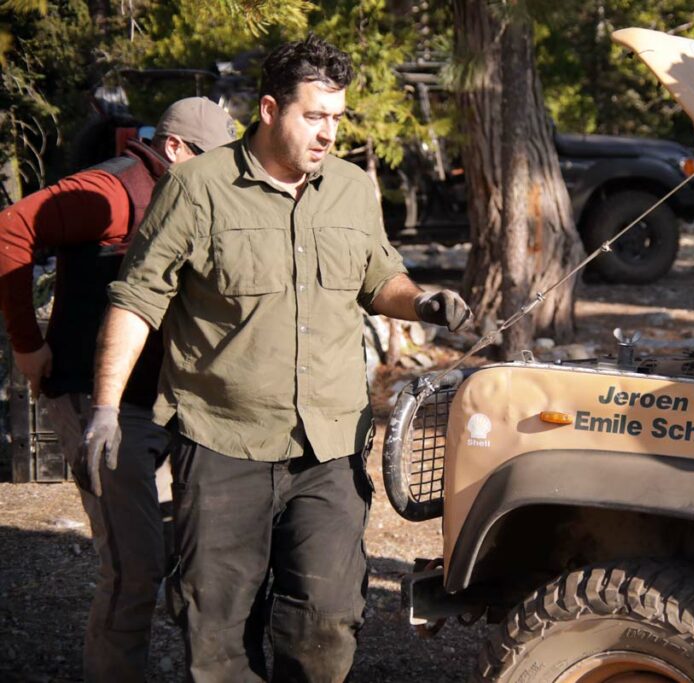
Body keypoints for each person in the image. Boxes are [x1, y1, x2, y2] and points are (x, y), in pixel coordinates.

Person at [86, 36, 472, 681]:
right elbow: (137, 302)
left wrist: (424, 302)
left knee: (326, 616)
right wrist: (104, 409)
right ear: (269, 109)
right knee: (217, 624)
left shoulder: (350, 189)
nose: (327, 133)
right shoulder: (195, 187)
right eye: (313, 116)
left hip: (329, 445)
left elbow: (380, 279)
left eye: (337, 118)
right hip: (221, 442)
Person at [0, 97, 238, 681]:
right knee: (135, 565)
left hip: (168, 400)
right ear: (176, 150)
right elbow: (10, 229)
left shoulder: (196, 193)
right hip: (97, 397)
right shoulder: (110, 191)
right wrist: (27, 345)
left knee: (203, 556)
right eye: (213, 160)